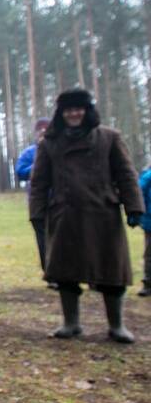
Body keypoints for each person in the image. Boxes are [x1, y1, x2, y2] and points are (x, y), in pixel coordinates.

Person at [30, 88, 145, 343]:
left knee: (113, 272)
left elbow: (126, 174)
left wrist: (134, 207)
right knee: (64, 272)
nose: (74, 113)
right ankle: (71, 323)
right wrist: (36, 212)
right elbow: (39, 182)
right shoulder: (50, 143)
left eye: (78, 108)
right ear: (61, 113)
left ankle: (117, 325)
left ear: (87, 110)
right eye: (69, 110)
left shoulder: (109, 138)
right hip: (65, 215)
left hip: (103, 212)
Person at [15, 119, 52, 279]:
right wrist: (39, 164)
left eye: (46, 130)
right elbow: (20, 172)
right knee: (43, 239)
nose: (43, 133)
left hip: (61, 202)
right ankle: (49, 274)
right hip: (38, 202)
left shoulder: (59, 149)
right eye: (40, 130)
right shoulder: (29, 153)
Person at [140, 163, 151, 297]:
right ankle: (148, 285)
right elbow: (138, 193)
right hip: (150, 222)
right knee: (149, 254)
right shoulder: (148, 177)